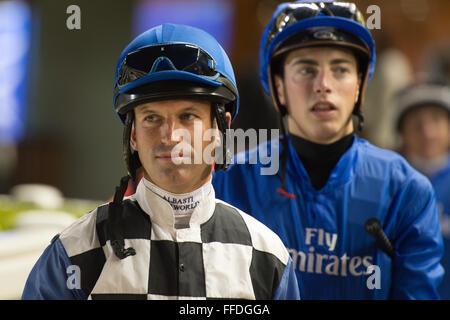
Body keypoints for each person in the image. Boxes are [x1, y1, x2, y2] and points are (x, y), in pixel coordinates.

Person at [22, 23, 300, 300]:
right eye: (151, 118)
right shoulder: (73, 253)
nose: (169, 135)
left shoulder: (267, 256)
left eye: (188, 116)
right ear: (133, 135)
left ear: (220, 130)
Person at [213, 1, 444, 299]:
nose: (323, 85)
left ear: (360, 85)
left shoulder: (406, 191)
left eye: (340, 69)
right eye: (306, 69)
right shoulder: (230, 180)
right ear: (279, 86)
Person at [394, 81, 450, 299]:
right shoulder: (389, 184)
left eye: (436, 120)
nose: (428, 133)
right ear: (402, 132)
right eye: (416, 124)